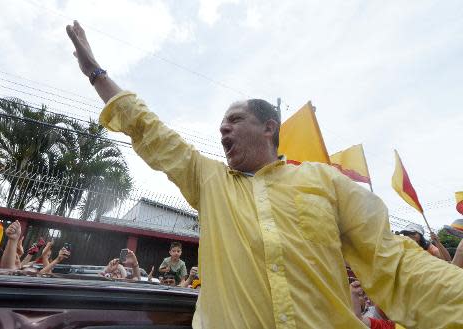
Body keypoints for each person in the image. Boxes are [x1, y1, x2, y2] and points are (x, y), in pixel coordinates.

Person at [66, 20, 463, 328]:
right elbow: (149, 130)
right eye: (221, 125)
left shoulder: (324, 182)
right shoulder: (209, 182)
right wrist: (96, 73)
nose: (223, 129)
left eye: (234, 120)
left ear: (269, 128)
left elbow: (393, 263)